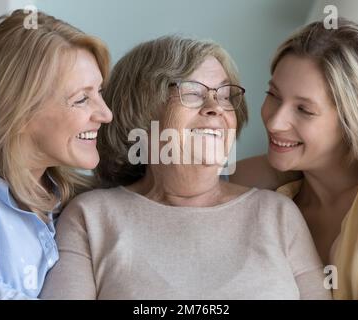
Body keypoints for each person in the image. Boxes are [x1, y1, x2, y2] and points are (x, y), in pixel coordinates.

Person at [40, 36, 331, 300]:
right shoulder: (90, 217)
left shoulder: (277, 213)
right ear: (141, 110)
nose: (215, 107)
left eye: (225, 95)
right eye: (192, 93)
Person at [230, 18, 358, 299]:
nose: (275, 122)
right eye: (273, 95)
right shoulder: (275, 201)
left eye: (304, 109)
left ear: (353, 119)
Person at [0, 10, 112, 299]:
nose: (106, 114)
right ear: (19, 110)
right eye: (82, 99)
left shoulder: (67, 196)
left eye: (100, 92)